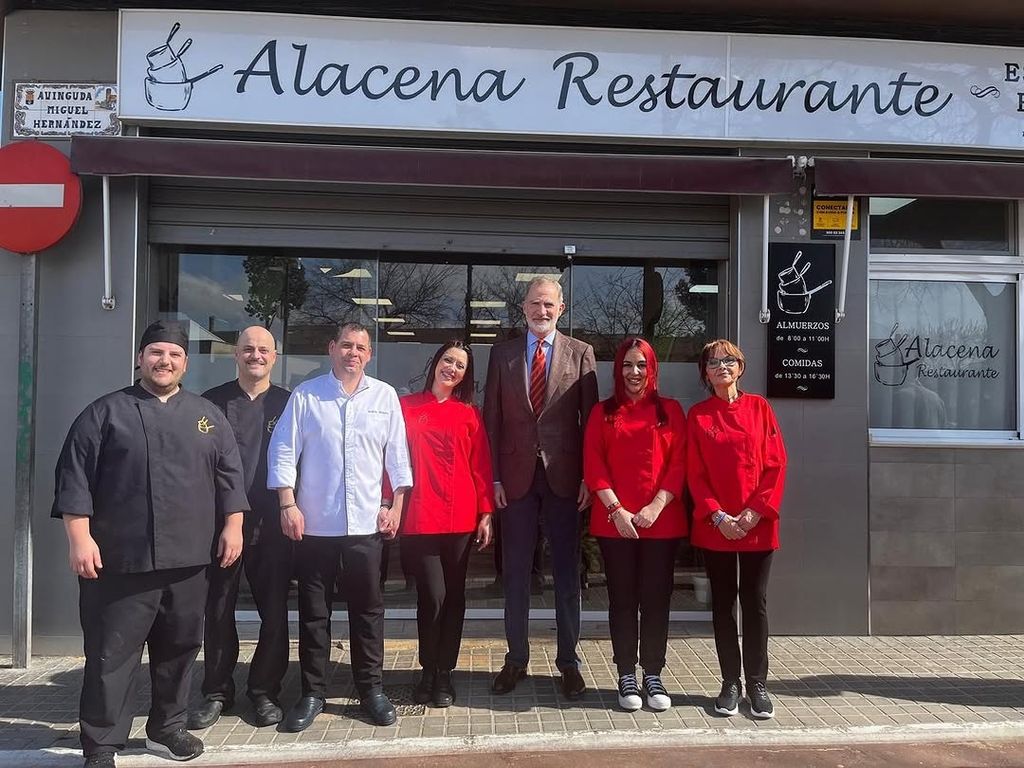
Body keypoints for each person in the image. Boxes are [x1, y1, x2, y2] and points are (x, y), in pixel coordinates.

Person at [51, 320, 248, 768]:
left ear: (185, 364)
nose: (165, 362)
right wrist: (79, 538)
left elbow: (229, 477)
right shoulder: (104, 413)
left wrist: (232, 526)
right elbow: (74, 479)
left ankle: (166, 729)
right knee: (111, 655)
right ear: (140, 358)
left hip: (189, 560)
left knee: (179, 650)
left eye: (175, 356)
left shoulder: (207, 415)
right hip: (120, 562)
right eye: (157, 353)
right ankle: (101, 744)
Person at [268, 322, 412, 731]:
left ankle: (371, 690)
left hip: (367, 526)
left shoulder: (384, 396)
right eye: (346, 345)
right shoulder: (306, 396)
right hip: (314, 527)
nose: (353, 352)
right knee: (314, 615)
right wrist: (287, 504)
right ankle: (312, 692)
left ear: (369, 354)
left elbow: (397, 458)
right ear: (331, 349)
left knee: (368, 613)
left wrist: (395, 505)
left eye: (361, 347)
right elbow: (282, 451)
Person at [483, 276, 598, 699]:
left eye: (549, 304)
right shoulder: (502, 354)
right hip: (514, 481)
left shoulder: (581, 354)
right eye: (534, 303)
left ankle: (569, 662)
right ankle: (516, 659)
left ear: (561, 309)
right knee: (515, 574)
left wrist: (589, 476)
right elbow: (491, 421)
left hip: (565, 479)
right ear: (523, 307)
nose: (541, 311)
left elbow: (592, 424)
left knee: (567, 574)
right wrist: (493, 477)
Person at [188, 326, 293, 730]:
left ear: (274, 356)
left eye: (263, 350)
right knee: (218, 608)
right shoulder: (210, 404)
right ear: (236, 354)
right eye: (248, 349)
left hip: (273, 524)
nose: (256, 356)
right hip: (221, 525)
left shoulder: (289, 403)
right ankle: (216, 691)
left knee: (274, 610)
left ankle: (265, 691)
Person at [583, 337, 687, 712]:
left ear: (652, 368)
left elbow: (679, 464)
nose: (634, 372)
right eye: (627, 365)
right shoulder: (602, 413)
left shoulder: (670, 411)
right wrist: (617, 511)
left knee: (656, 601)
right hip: (616, 524)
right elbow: (593, 464)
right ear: (618, 370)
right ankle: (626, 671)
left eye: (641, 365)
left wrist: (657, 505)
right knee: (622, 601)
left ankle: (653, 673)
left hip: (662, 522)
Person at [389, 341, 495, 708]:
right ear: (435, 363)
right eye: (448, 360)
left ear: (466, 375)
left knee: (454, 598)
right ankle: (427, 669)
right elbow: (392, 459)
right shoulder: (405, 408)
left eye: (461, 365)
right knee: (431, 596)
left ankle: (444, 673)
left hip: (461, 519)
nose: (452, 368)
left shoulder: (469, 414)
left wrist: (486, 513)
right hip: (419, 517)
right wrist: (389, 504)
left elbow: (480, 465)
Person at [687, 339, 787, 720]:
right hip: (718, 528)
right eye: (713, 362)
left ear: (740, 367)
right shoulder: (698, 416)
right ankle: (730, 682)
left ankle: (758, 683)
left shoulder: (761, 408)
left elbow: (776, 465)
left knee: (754, 603)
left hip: (757, 525)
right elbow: (695, 474)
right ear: (705, 373)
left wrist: (754, 513)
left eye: (729, 361)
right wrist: (717, 516)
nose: (721, 367)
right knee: (724, 606)